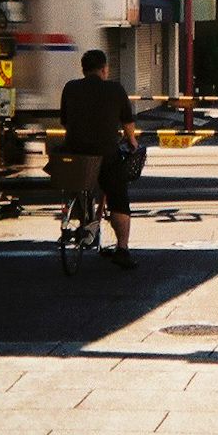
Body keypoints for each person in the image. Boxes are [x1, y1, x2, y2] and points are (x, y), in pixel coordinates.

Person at [59, 48, 139, 269]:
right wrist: (132, 141)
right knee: (119, 200)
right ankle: (122, 249)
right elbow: (127, 122)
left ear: (83, 70)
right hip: (106, 154)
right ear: (104, 69)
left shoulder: (70, 88)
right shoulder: (115, 89)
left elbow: (64, 121)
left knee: (76, 186)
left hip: (75, 154)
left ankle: (79, 218)